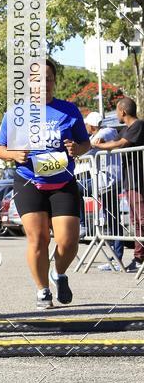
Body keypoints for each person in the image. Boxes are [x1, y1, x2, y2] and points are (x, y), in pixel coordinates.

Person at [0, 60, 91, 309]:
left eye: (48, 78)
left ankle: (58, 274)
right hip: (29, 181)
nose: (43, 83)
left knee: (68, 241)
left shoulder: (69, 110)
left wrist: (77, 148)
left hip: (63, 182)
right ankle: (42, 290)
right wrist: (14, 155)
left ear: (54, 81)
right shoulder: (16, 114)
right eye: (37, 79)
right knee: (38, 239)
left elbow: (85, 144)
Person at [92, 97, 144, 273]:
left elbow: (121, 144)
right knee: (136, 222)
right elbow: (115, 141)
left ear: (123, 111)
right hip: (130, 181)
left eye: (116, 110)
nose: (115, 114)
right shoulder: (126, 129)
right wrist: (100, 144)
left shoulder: (138, 125)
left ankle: (140, 258)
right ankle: (138, 258)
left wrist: (98, 147)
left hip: (139, 181)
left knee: (142, 220)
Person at [83, 111, 124, 270]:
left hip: (108, 182)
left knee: (114, 221)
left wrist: (93, 143)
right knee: (112, 220)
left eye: (87, 124)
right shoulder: (99, 135)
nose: (85, 126)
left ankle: (82, 224)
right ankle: (116, 258)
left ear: (92, 126)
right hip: (105, 182)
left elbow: (105, 134)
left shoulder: (105, 132)